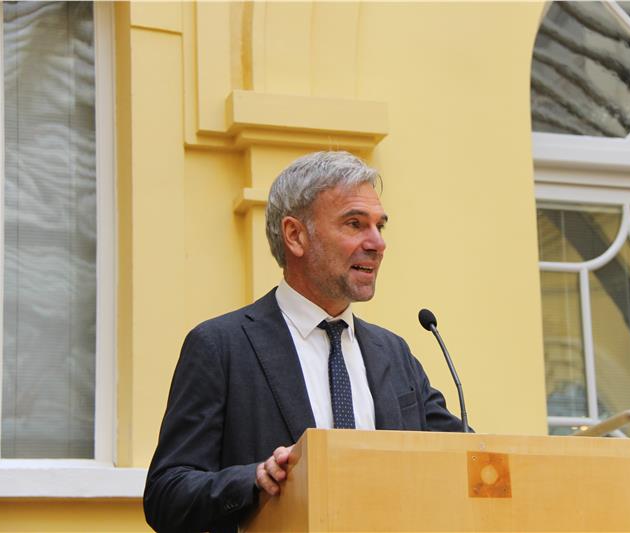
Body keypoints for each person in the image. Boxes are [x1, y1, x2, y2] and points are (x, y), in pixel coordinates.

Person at [143, 151, 465, 533]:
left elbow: (464, 460)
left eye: (379, 226)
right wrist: (253, 480)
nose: (377, 243)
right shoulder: (221, 347)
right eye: (355, 224)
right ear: (295, 235)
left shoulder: (395, 354)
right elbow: (167, 495)